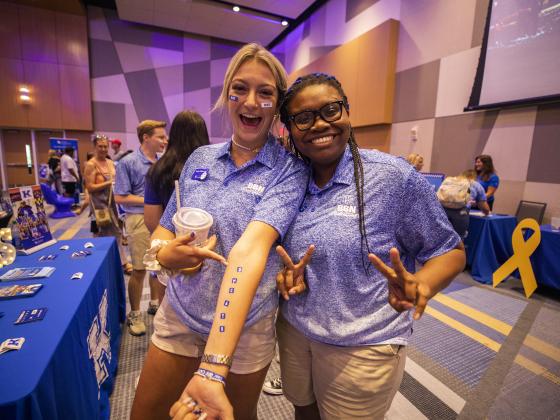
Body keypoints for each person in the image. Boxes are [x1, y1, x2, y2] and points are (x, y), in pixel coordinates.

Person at [263, 73, 464, 420]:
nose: (319, 124)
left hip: (363, 344)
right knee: (302, 412)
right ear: (290, 128)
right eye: (303, 118)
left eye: (330, 110)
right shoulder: (289, 179)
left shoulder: (392, 178)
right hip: (295, 329)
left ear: (347, 112)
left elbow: (449, 249)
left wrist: (423, 284)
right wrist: (284, 275)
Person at [132, 43, 307, 420]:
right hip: (180, 314)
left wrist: (212, 367)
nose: (250, 101)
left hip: (247, 329)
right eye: (240, 89)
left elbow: (250, 252)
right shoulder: (201, 158)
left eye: (265, 92)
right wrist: (166, 255)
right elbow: (163, 230)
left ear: (277, 104)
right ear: (227, 95)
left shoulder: (288, 170)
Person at [114, 120, 168, 335]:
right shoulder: (128, 163)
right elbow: (119, 196)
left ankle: (154, 303)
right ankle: (135, 314)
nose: (165, 140)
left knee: (158, 266)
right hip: (137, 220)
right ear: (146, 137)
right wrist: (149, 201)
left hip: (159, 220)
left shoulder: (162, 162)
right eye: (160, 137)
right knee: (139, 270)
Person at [144, 111, 210, 234]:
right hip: (208, 241)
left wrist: (168, 241)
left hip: (171, 243)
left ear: (173, 135)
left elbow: (151, 220)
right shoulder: (213, 166)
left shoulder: (158, 170)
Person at [84, 135, 132, 275]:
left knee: (116, 232)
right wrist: (108, 183)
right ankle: (107, 263)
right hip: (100, 206)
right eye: (100, 146)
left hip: (114, 204)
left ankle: (119, 262)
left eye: (106, 146)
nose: (104, 149)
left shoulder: (110, 162)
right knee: (101, 235)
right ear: (95, 146)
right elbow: (90, 187)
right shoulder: (91, 164)